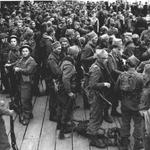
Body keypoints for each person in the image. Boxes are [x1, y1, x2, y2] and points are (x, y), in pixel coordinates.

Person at [115, 55, 144, 150]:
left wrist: (121, 100)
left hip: (125, 103)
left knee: (125, 121)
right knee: (138, 123)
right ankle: (138, 141)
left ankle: (124, 139)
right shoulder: (140, 77)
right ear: (136, 66)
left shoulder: (122, 75)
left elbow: (116, 90)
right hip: (137, 104)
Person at [87, 49, 113, 148]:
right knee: (95, 115)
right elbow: (92, 84)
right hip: (96, 95)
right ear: (99, 58)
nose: (107, 60)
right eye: (104, 58)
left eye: (107, 57)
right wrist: (104, 84)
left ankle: (94, 131)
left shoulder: (101, 65)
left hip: (100, 95)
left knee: (98, 115)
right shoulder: (96, 69)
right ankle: (93, 138)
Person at [57, 45, 79, 139]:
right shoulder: (69, 65)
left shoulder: (64, 60)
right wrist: (69, 92)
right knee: (66, 109)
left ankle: (61, 125)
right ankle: (64, 129)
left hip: (61, 89)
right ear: (75, 54)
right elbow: (65, 79)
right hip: (65, 90)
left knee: (62, 108)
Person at [14, 44, 37, 125]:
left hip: (27, 83)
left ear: (29, 52)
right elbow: (16, 65)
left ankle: (26, 117)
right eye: (23, 51)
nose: (24, 53)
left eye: (26, 51)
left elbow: (28, 71)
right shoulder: (21, 60)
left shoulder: (32, 61)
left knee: (25, 100)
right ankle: (29, 113)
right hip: (21, 82)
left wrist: (19, 69)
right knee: (25, 98)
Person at [47, 41, 62, 122]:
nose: (60, 50)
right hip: (52, 80)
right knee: (53, 98)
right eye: (58, 49)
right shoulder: (52, 58)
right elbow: (56, 71)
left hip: (54, 80)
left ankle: (54, 113)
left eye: (60, 49)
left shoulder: (56, 55)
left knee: (54, 97)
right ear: (53, 49)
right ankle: (52, 115)